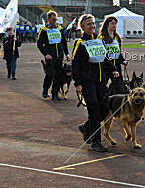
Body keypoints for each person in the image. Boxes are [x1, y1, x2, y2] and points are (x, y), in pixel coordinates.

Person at [72, 14, 119, 152]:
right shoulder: (80, 43)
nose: (92, 26)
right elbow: (75, 64)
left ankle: (86, 127)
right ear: (82, 27)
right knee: (94, 110)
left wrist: (113, 69)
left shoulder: (99, 40)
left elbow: (104, 58)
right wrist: (77, 83)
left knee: (105, 109)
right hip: (88, 83)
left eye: (93, 23)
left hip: (100, 81)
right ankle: (95, 142)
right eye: (88, 24)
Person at [37, 10, 70, 100]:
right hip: (50, 56)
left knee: (59, 76)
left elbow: (64, 42)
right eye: (53, 19)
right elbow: (39, 44)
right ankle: (45, 89)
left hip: (59, 56)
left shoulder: (60, 29)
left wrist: (66, 54)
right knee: (50, 74)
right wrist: (45, 54)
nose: (55, 21)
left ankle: (54, 94)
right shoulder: (44, 30)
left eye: (56, 19)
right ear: (48, 19)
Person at [99, 16, 128, 94]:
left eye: (115, 23)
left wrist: (123, 61)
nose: (114, 25)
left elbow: (118, 52)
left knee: (120, 90)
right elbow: (101, 54)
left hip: (117, 67)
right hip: (105, 67)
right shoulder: (101, 37)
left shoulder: (117, 37)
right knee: (102, 89)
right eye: (112, 23)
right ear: (107, 24)